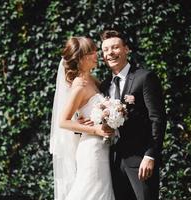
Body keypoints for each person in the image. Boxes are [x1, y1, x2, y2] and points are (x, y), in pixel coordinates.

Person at [99, 29, 167, 200]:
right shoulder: (105, 85)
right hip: (113, 161)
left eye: (114, 47)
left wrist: (150, 155)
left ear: (126, 49)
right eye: (105, 50)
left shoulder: (144, 78)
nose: (110, 53)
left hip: (141, 160)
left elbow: (157, 119)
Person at [49, 36, 115, 200]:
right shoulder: (79, 86)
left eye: (94, 51)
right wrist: (95, 129)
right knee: (92, 192)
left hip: (103, 146)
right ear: (79, 59)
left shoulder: (91, 79)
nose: (96, 55)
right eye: (91, 53)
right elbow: (63, 121)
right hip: (92, 149)